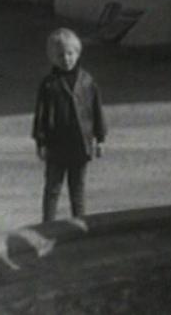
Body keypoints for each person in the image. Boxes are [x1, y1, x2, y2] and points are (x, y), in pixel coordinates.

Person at [33, 28, 107, 223]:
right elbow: (40, 115)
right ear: (52, 57)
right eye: (60, 55)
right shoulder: (49, 84)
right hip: (56, 144)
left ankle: (80, 224)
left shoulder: (87, 81)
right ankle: (47, 225)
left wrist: (100, 138)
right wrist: (40, 142)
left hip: (80, 144)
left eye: (70, 53)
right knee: (52, 188)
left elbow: (96, 110)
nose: (66, 59)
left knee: (78, 189)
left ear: (78, 53)